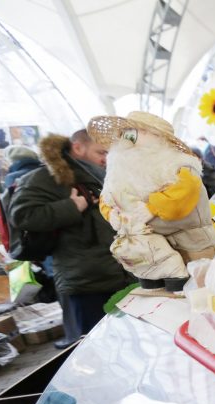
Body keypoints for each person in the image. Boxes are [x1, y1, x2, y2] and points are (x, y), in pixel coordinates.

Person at [9, 129, 133, 348]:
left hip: (121, 276)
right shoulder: (46, 177)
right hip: (85, 283)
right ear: (78, 147)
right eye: (100, 152)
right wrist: (71, 207)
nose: (105, 158)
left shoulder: (99, 174)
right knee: (91, 352)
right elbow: (22, 215)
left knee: (126, 346)